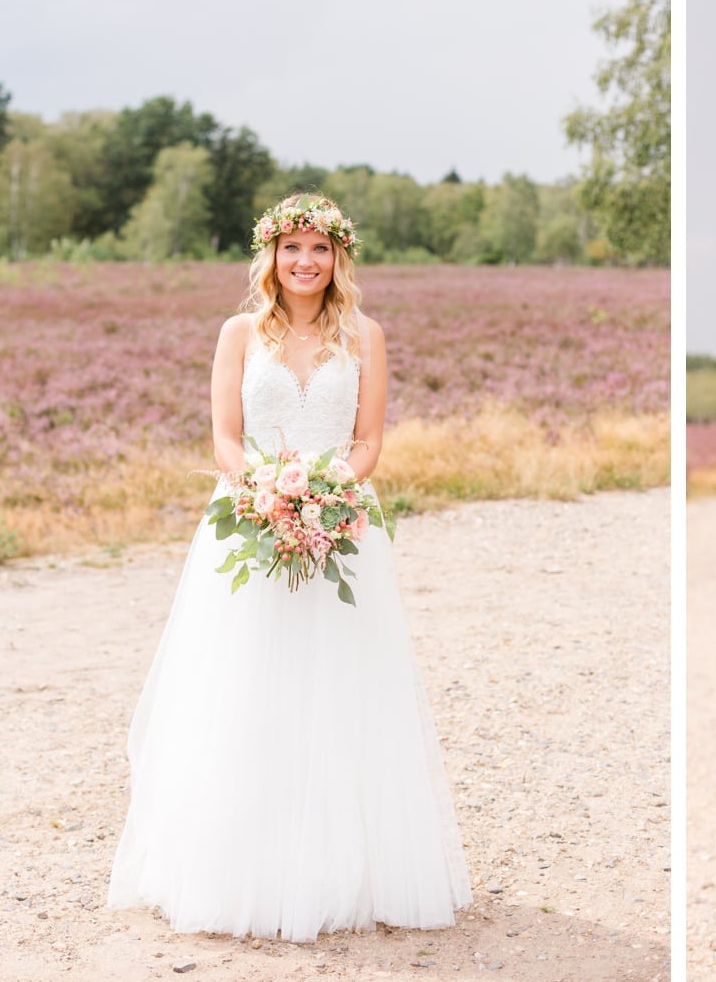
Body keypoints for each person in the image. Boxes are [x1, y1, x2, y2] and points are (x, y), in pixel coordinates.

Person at [107, 194, 471, 941]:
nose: (305, 262)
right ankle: (240, 871)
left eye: (320, 249)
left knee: (342, 685)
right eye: (292, 248)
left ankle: (348, 869)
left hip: (340, 522)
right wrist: (265, 494)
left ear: (340, 258)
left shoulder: (365, 336)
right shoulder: (239, 333)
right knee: (245, 682)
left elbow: (370, 440)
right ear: (269, 257)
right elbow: (224, 437)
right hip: (248, 518)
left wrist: (332, 491)